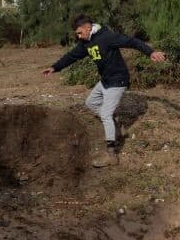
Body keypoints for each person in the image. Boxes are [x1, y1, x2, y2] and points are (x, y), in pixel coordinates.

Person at [43, 14, 166, 167]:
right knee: (91, 103)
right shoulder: (85, 43)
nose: (79, 36)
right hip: (106, 80)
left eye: (80, 32)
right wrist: (55, 67)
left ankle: (111, 154)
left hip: (118, 80)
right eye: (77, 34)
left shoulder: (107, 37)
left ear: (88, 28)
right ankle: (115, 128)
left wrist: (150, 52)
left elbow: (131, 41)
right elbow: (71, 56)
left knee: (106, 114)